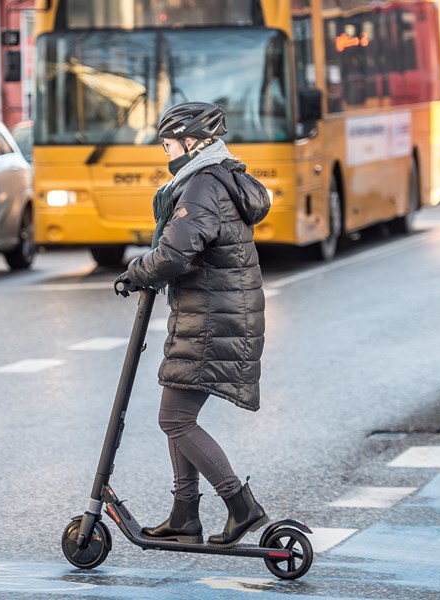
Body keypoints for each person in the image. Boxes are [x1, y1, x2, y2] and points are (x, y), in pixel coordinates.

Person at [113, 102, 272, 547]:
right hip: (212, 313)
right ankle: (185, 514)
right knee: (177, 415)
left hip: (212, 320)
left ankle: (240, 505)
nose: (166, 154)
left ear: (192, 142)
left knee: (176, 419)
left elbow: (176, 253)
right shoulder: (218, 177)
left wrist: (136, 270)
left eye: (169, 145)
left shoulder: (203, 185)